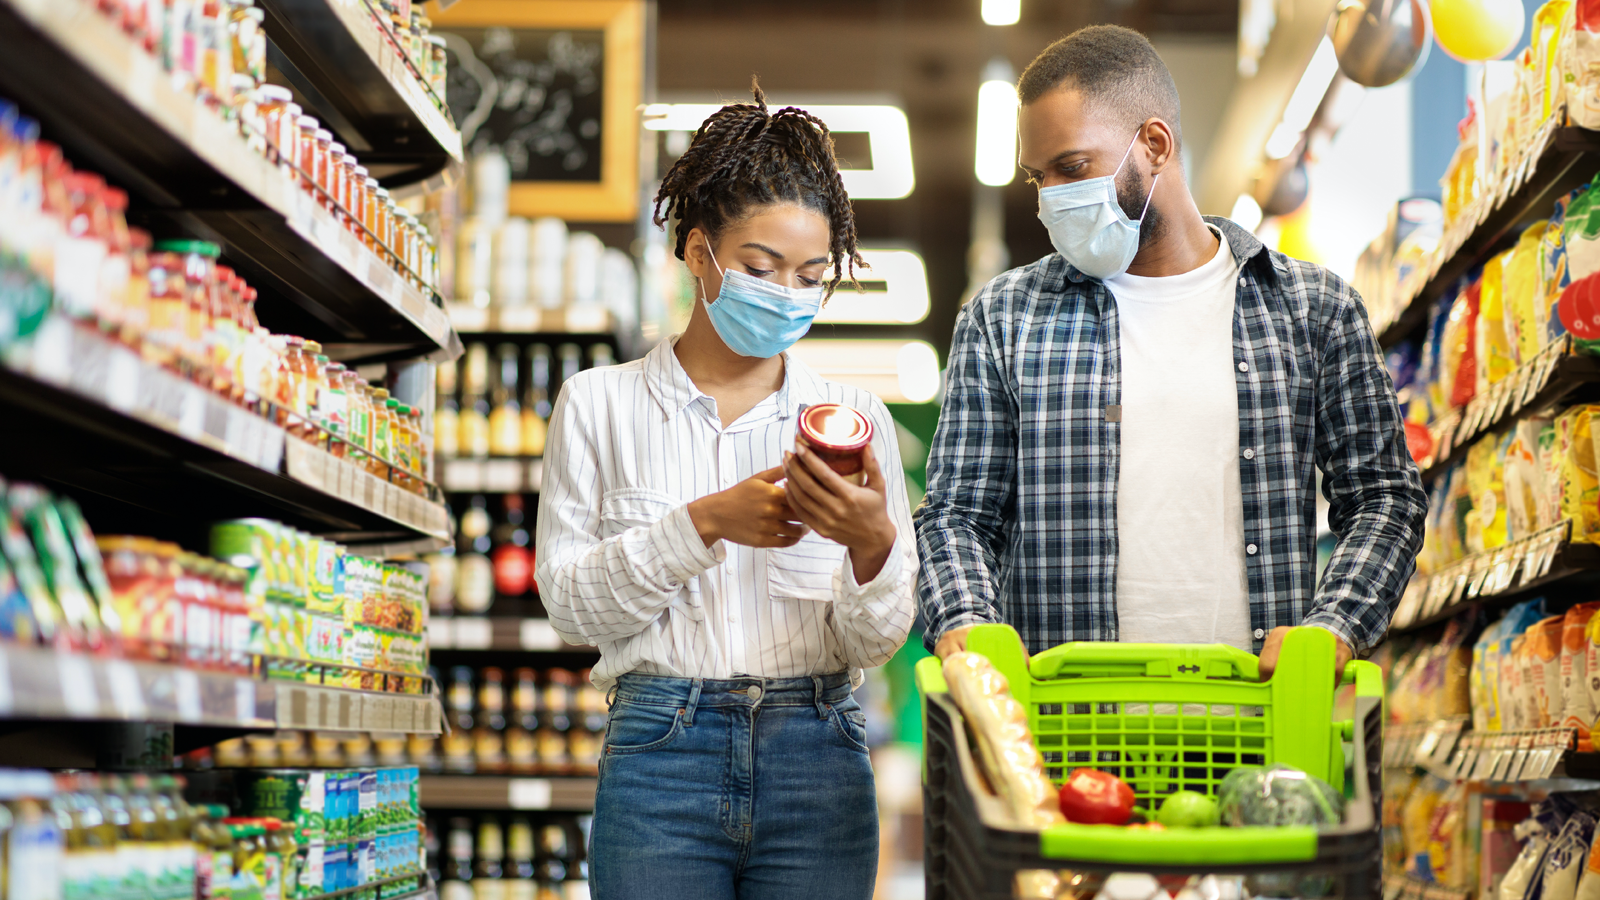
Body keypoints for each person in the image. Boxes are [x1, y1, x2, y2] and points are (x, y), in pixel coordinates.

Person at [914, 25, 1427, 678]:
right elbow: (957, 517)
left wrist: (1335, 628)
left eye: (1072, 168)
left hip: (1256, 726)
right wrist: (965, 619)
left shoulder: (1313, 310)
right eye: (1038, 177)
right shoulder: (1004, 318)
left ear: (1154, 145)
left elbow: (1385, 498)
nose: (1051, 200)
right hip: (1067, 731)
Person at [534, 85, 916, 900]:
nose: (787, 292)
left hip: (818, 753)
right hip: (659, 757)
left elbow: (875, 643)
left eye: (811, 275)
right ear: (700, 253)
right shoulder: (598, 404)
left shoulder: (855, 420)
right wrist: (705, 524)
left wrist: (869, 543)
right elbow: (570, 608)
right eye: (760, 266)